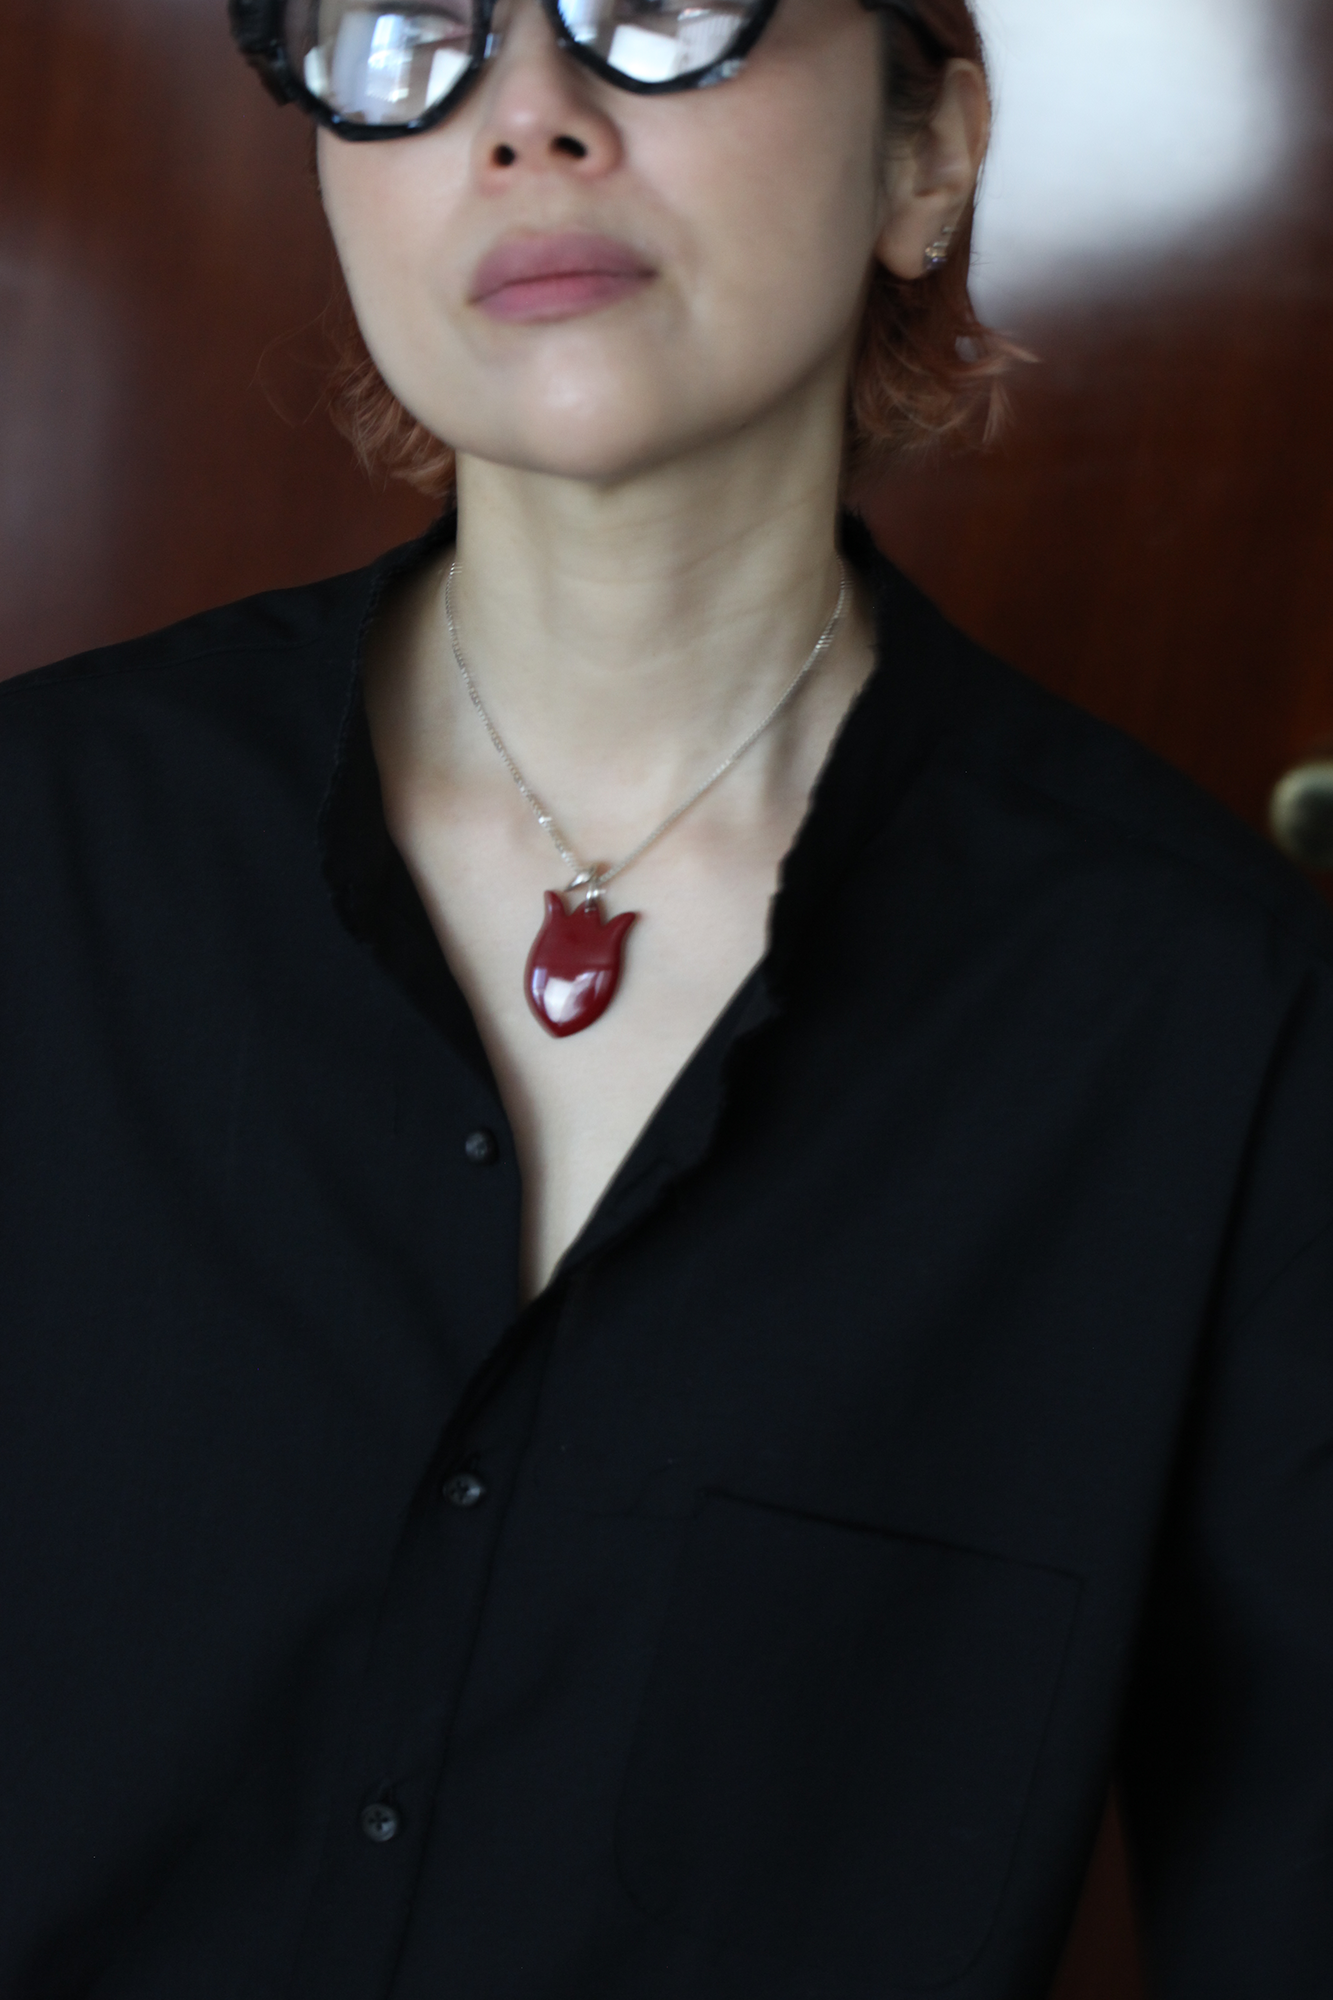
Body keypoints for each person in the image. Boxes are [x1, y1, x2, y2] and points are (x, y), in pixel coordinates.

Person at [1, 0, 1329, 1993]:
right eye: (408, 26)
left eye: (660, 11)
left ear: (926, 154)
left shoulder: (1210, 1019)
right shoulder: (39, 850)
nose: (526, 117)